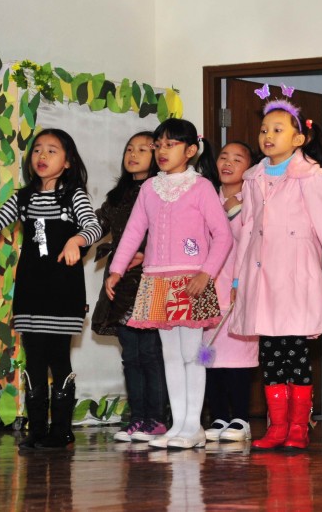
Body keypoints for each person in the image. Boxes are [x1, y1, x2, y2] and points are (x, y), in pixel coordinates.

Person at [0, 128, 102, 450]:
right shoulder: (23, 198)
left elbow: (93, 227)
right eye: (37, 149)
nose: (42, 155)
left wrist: (76, 240)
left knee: (58, 358)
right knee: (33, 358)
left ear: (68, 161)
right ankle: (37, 430)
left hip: (63, 291)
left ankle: (61, 431)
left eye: (52, 150)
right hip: (31, 289)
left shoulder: (73, 195)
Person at [230, 96, 322, 451]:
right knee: (269, 354)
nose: (268, 136)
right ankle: (277, 426)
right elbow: (248, 229)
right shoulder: (253, 177)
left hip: (296, 277)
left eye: (277, 130)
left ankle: (299, 426)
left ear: (298, 139)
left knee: (295, 352)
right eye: (264, 130)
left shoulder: (311, 176)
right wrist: (238, 279)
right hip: (261, 279)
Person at [106, 119, 232, 450]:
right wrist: (116, 269)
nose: (162, 151)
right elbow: (134, 230)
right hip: (156, 278)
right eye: (158, 145)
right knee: (171, 356)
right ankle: (178, 425)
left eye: (170, 144)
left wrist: (206, 272)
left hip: (191, 279)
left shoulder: (201, 187)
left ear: (190, 151)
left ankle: (194, 427)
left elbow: (223, 235)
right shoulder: (150, 188)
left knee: (191, 354)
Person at [90, 131, 170, 444]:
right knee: (131, 355)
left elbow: (172, 232)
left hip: (151, 280)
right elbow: (97, 225)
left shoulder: (164, 191)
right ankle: (138, 418)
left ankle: (158, 418)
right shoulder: (118, 196)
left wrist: (146, 252)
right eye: (129, 149)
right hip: (120, 283)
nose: (133, 155)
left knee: (151, 353)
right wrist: (73, 236)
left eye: (143, 149)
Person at [203, 141, 259, 444]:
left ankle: (240, 418)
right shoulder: (205, 196)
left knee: (238, 358)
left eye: (237, 159)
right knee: (210, 356)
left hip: (239, 289)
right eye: (224, 156)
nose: (228, 163)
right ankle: (218, 415)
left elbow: (253, 244)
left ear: (249, 168)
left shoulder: (252, 199)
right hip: (207, 289)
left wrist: (234, 210)